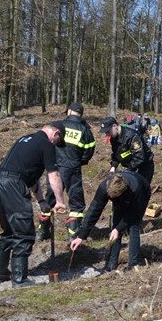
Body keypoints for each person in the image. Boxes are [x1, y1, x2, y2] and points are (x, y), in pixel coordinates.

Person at [0, 124, 67, 286]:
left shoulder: (26, 139)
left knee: (10, 228)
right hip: (13, 184)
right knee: (24, 231)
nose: (56, 145)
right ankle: (19, 279)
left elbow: (32, 180)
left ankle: (0, 272)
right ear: (56, 133)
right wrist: (59, 201)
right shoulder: (46, 144)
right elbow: (54, 175)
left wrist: (42, 201)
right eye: (58, 141)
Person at [70, 171, 150, 272]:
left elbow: (132, 214)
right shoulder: (104, 187)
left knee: (133, 227)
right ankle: (112, 264)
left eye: (114, 196)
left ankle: (133, 265)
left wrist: (118, 228)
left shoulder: (135, 188)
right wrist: (81, 236)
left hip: (141, 194)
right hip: (121, 197)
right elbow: (94, 210)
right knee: (115, 226)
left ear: (122, 191)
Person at [40, 103, 96, 244]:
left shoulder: (59, 126)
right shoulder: (85, 130)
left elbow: (47, 142)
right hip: (72, 167)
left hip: (54, 167)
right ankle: (73, 234)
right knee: (76, 202)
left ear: (69, 111)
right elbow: (89, 150)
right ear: (81, 114)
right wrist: (79, 161)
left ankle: (42, 232)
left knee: (50, 198)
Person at [100, 116, 155, 185]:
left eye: (108, 131)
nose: (107, 134)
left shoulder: (132, 136)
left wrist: (127, 172)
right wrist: (113, 167)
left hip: (144, 166)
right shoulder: (114, 139)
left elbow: (139, 157)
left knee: (139, 190)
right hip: (131, 166)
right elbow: (116, 154)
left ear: (114, 126)